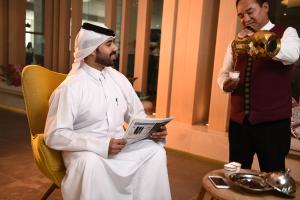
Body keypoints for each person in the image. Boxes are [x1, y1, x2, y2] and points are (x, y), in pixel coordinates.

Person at [44, 23, 171, 200]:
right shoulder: (70, 88)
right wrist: (102, 146)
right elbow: (55, 134)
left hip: (121, 147)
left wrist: (153, 130)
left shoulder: (118, 79)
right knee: (91, 164)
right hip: (86, 151)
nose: (115, 48)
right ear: (92, 51)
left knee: (155, 152)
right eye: (109, 44)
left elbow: (138, 115)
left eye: (114, 43)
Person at [217, 0, 300, 172]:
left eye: (250, 12)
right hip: (239, 123)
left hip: (273, 125)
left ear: (265, 7)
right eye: (241, 15)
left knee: (273, 176)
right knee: (236, 174)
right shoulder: (236, 42)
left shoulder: (287, 33)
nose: (246, 19)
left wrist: (257, 38)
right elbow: (223, 74)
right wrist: (226, 85)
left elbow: (292, 55)